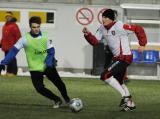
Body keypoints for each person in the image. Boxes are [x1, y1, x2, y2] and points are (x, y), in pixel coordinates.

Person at [82, 9, 147, 111]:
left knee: (104, 75)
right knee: (119, 81)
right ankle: (130, 104)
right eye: (103, 17)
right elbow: (95, 42)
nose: (103, 19)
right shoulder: (102, 28)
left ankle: (125, 97)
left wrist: (142, 44)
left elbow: (138, 29)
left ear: (111, 19)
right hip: (117, 58)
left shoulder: (120, 26)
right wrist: (87, 34)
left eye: (106, 17)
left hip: (124, 57)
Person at [0, 16, 70, 108]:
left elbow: (51, 51)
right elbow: (13, 51)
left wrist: (49, 63)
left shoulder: (45, 36)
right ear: (30, 27)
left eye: (38, 27)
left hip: (47, 65)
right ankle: (57, 99)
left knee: (59, 84)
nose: (36, 29)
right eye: (34, 27)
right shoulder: (24, 39)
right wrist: (3, 62)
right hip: (35, 67)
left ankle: (67, 99)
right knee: (39, 88)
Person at [0, 11, 21, 76]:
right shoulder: (4, 26)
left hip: (12, 46)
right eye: (6, 16)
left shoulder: (14, 26)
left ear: (11, 17)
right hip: (5, 47)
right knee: (8, 59)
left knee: (12, 59)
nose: (7, 17)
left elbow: (18, 36)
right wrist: (1, 44)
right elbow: (4, 37)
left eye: (9, 16)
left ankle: (14, 72)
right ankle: (9, 72)